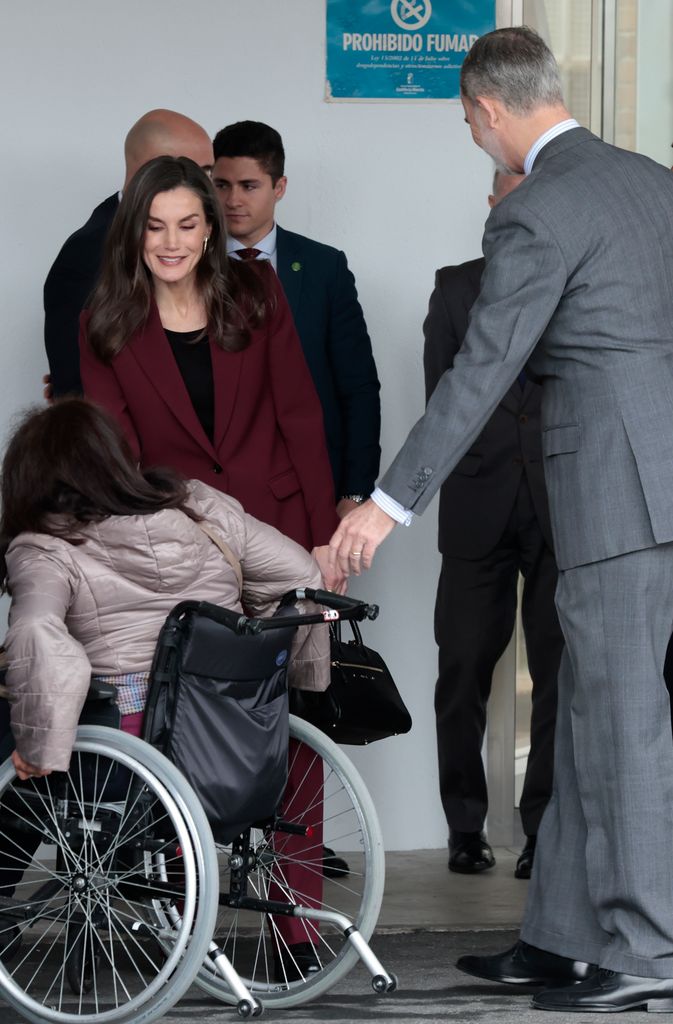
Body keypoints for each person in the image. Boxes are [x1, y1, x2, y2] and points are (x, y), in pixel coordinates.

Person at [330, 26, 673, 1012]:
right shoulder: (651, 182)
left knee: (623, 728)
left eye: (468, 124)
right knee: (591, 718)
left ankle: (648, 946)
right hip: (647, 482)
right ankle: (561, 936)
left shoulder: (535, 207)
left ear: (483, 110)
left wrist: (388, 504)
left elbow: (481, 367)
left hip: (613, 490)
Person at [79, 153, 340, 973]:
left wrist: (321, 540)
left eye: (189, 224)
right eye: (156, 226)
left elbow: (299, 410)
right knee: (175, 726)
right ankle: (175, 920)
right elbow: (114, 456)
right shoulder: (108, 320)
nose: (173, 242)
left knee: (296, 723)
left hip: (273, 533)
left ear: (211, 227)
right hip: (169, 555)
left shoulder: (254, 296)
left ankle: (295, 925)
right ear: (135, 231)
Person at [0, 399, 328, 777]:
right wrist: (277, 678)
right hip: (231, 724)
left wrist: (39, 749)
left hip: (123, 747)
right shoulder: (200, 506)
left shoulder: (45, 548)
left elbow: (37, 632)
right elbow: (301, 578)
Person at [425, 169, 563, 880]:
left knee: (557, 676)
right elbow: (441, 403)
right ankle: (464, 826)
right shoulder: (454, 288)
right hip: (477, 506)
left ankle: (541, 828)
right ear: (490, 205)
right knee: (462, 671)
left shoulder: (574, 282)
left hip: (556, 506)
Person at [211, 120, 381, 515]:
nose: (233, 199)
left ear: (279, 187)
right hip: (216, 489)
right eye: (222, 185)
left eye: (248, 186)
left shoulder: (325, 268)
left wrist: (355, 491)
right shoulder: (187, 266)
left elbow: (357, 387)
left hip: (309, 483)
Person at [44, 109, 214, 398]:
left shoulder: (199, 234)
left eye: (209, 173)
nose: (209, 188)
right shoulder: (89, 254)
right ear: (149, 172)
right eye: (195, 173)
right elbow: (77, 388)